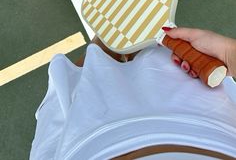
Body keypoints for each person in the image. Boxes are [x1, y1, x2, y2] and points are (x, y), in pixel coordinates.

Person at [30, 28, 236, 160]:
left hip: (87, 146)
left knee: (86, 73)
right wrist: (228, 52)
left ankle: (109, 30)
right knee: (153, 52)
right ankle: (115, 29)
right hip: (212, 129)